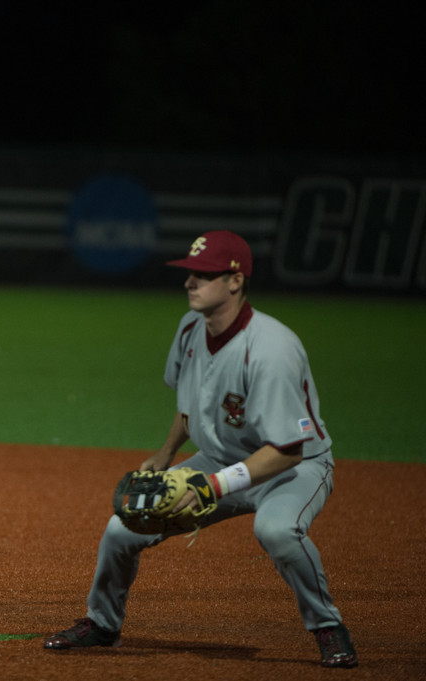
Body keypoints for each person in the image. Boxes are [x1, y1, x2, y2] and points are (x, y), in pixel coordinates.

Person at [43, 230, 357, 668]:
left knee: (277, 532)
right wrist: (167, 452)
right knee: (121, 529)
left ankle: (327, 626)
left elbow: (288, 449)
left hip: (293, 467)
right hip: (218, 459)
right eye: (190, 272)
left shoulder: (271, 350)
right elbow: (190, 405)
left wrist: (215, 485)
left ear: (235, 281)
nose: (190, 282)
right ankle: (103, 624)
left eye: (204, 275)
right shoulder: (191, 328)